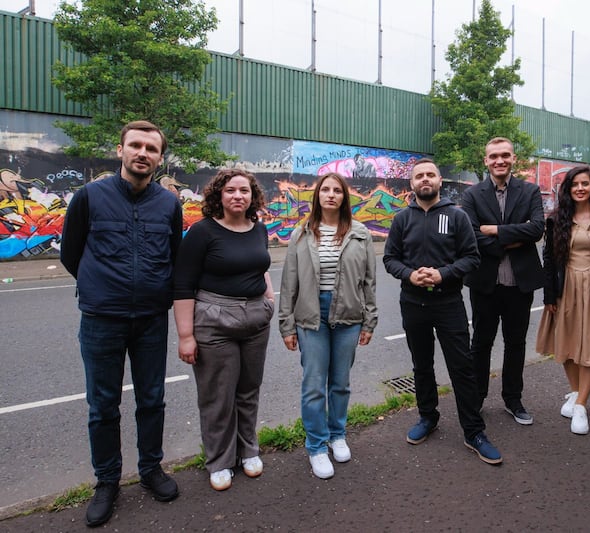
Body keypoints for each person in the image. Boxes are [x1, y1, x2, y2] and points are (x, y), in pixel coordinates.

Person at [60, 120, 182, 527]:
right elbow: (71, 254)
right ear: (121, 150)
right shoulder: (89, 197)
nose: (142, 153)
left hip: (151, 319)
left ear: (160, 157)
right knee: (102, 406)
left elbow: (173, 254)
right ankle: (107, 481)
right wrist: (101, 286)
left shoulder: (168, 204)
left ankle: (151, 470)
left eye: (151, 148)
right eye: (136, 145)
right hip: (101, 318)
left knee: (152, 400)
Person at [383, 158, 502, 465]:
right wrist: (409, 274)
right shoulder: (401, 219)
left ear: (439, 181)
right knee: (421, 366)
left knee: (462, 368)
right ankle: (428, 417)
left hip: (448, 303)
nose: (425, 179)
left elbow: (472, 258)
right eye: (419, 175)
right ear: (411, 184)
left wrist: (443, 274)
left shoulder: (457, 216)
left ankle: (474, 431)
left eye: (430, 175)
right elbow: (390, 259)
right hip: (412, 303)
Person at [172, 168, 274, 491]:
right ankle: (219, 460)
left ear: (252, 196)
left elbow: (262, 265)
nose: (237, 196)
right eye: (230, 190)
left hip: (256, 319)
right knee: (218, 395)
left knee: (248, 391)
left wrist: (268, 299)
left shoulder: (259, 229)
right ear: (219, 195)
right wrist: (186, 335)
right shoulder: (202, 233)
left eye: (244, 191)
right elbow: (183, 284)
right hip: (214, 320)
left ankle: (248, 452)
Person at [278, 172, 377, 479]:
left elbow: (369, 282)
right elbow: (289, 282)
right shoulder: (302, 233)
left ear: (344, 197)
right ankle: (317, 446)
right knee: (313, 385)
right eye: (326, 190)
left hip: (349, 314)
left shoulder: (360, 233)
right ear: (317, 195)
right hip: (311, 315)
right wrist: (287, 325)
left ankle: (337, 435)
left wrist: (369, 320)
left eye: (337, 190)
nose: (331, 194)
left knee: (340, 383)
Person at [461, 137, 545, 425]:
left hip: (519, 284)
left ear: (513, 158)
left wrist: (495, 230)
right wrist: (512, 238)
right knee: (480, 343)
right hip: (485, 283)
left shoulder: (530, 191)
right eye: (494, 156)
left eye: (505, 155)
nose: (500, 160)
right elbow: (471, 235)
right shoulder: (472, 195)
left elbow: (536, 230)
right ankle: (477, 397)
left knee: (516, 343)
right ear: (486, 160)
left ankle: (513, 399)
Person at [536, 166, 590, 435]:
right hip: (566, 289)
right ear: (568, 188)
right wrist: (549, 294)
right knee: (567, 343)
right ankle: (575, 393)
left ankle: (582, 405)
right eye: (575, 184)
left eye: (585, 183)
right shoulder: (556, 220)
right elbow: (549, 260)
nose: (580, 188)